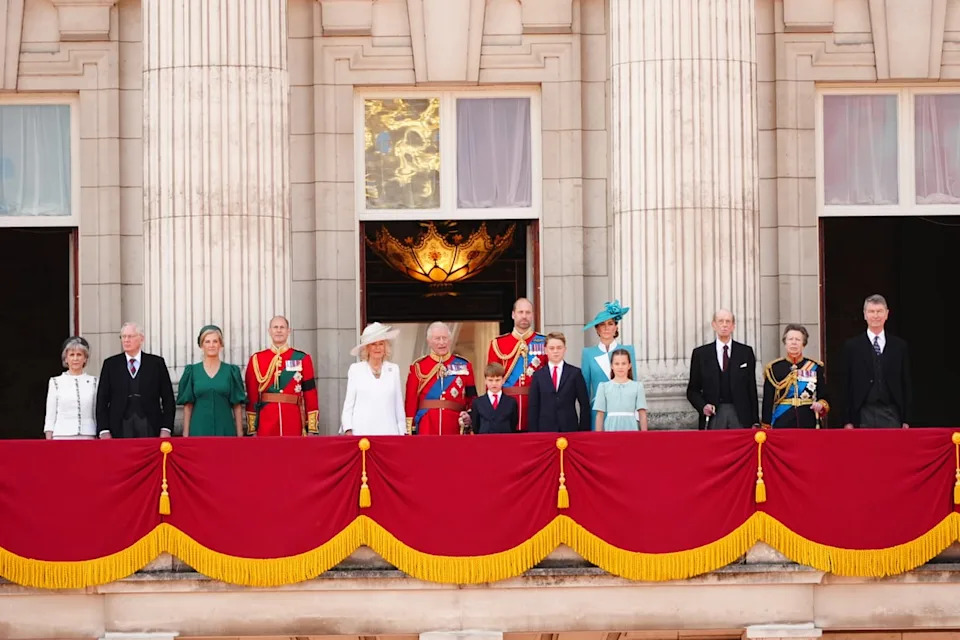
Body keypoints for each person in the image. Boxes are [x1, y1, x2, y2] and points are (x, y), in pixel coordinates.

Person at [842, 294, 912, 429]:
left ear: (887, 314)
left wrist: (906, 420)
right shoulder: (852, 346)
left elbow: (906, 383)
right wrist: (847, 420)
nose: (875, 316)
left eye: (879, 311)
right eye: (871, 311)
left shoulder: (899, 346)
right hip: (862, 412)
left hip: (892, 412)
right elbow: (846, 384)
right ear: (865, 315)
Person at [96, 322, 175, 439]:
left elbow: (168, 398)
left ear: (141, 338)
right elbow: (102, 399)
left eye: (130, 336)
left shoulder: (156, 363)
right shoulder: (111, 364)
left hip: (150, 423)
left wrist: (166, 428)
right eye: (123, 336)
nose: (126, 340)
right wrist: (103, 429)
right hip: (119, 425)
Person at [245, 315, 320, 436]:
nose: (279, 330)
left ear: (288, 331)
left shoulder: (302, 358)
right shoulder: (257, 359)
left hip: (293, 420)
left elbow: (310, 393)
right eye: (275, 327)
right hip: (266, 420)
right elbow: (252, 395)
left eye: (282, 327)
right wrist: (252, 428)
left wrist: (312, 427)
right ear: (269, 331)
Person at [686, 309, 760, 429]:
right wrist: (703, 406)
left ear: (733, 326)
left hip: (741, 415)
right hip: (714, 414)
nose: (724, 325)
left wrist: (755, 421)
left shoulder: (745, 352)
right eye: (720, 321)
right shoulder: (701, 354)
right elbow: (692, 390)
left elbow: (751, 388)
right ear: (714, 325)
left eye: (728, 321)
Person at [405, 322, 476, 435]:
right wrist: (410, 429)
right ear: (429, 341)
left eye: (445, 338)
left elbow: (472, 398)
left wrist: (469, 417)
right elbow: (411, 401)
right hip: (427, 425)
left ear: (450, 340)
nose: (442, 342)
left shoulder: (464, 365)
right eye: (437, 339)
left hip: (454, 425)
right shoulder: (418, 367)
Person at [487, 297, 546, 431]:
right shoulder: (498, 343)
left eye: (528, 312)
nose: (524, 316)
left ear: (532, 316)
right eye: (520, 312)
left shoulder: (544, 342)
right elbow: (491, 378)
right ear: (513, 315)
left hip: (535, 404)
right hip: (505, 406)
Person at [177, 325, 246, 437]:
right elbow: (188, 405)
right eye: (207, 341)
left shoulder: (231, 371)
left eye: (215, 341)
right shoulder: (192, 371)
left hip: (225, 428)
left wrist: (240, 434)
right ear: (201, 345)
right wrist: (185, 434)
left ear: (220, 344)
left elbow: (237, 405)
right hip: (199, 429)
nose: (211, 345)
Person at [341, 322, 406, 436]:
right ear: (367, 348)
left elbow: (398, 405)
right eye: (373, 344)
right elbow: (348, 404)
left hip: (389, 433)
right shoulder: (356, 370)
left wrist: (403, 432)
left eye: (381, 344)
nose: (377, 348)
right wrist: (348, 429)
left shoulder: (393, 369)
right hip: (362, 434)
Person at [761, 324, 830, 429]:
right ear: (785, 343)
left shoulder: (815, 367)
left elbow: (824, 395)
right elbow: (768, 401)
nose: (794, 342)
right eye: (790, 339)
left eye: (797, 339)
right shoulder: (774, 368)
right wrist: (766, 425)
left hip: (807, 419)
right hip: (783, 419)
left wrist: (820, 405)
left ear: (803, 344)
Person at [581, 301, 637, 427]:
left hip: (624, 412)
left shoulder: (628, 350)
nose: (606, 328)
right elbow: (584, 387)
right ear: (597, 328)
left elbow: (634, 382)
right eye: (602, 324)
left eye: (610, 324)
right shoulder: (588, 353)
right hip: (598, 411)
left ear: (616, 327)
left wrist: (636, 414)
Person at [528, 332, 591, 432]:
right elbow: (533, 406)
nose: (555, 351)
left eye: (559, 348)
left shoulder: (575, 373)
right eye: (551, 348)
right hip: (545, 430)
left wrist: (583, 431)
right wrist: (534, 433)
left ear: (565, 349)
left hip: (570, 429)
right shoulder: (538, 376)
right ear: (545, 350)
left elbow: (584, 404)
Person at [44, 336, 98, 440]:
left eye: (79, 355)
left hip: (88, 435)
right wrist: (48, 435)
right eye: (71, 355)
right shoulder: (56, 382)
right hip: (62, 435)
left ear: (85, 358)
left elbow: (96, 411)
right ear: (66, 359)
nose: (75, 358)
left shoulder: (94, 382)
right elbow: (50, 413)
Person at [594, 348, 648, 431]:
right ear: (611, 366)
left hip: (630, 427)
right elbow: (600, 415)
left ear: (629, 365)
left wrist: (645, 436)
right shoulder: (603, 387)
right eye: (617, 364)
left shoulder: (637, 386)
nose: (620, 367)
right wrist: (598, 438)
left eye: (624, 363)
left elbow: (642, 413)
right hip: (611, 428)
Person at [462, 362, 519, 434]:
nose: (494, 383)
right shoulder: (478, 402)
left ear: (503, 380)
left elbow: (513, 424)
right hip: (484, 441)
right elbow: (476, 426)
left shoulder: (511, 402)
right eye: (490, 380)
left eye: (497, 380)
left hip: (505, 441)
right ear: (485, 381)